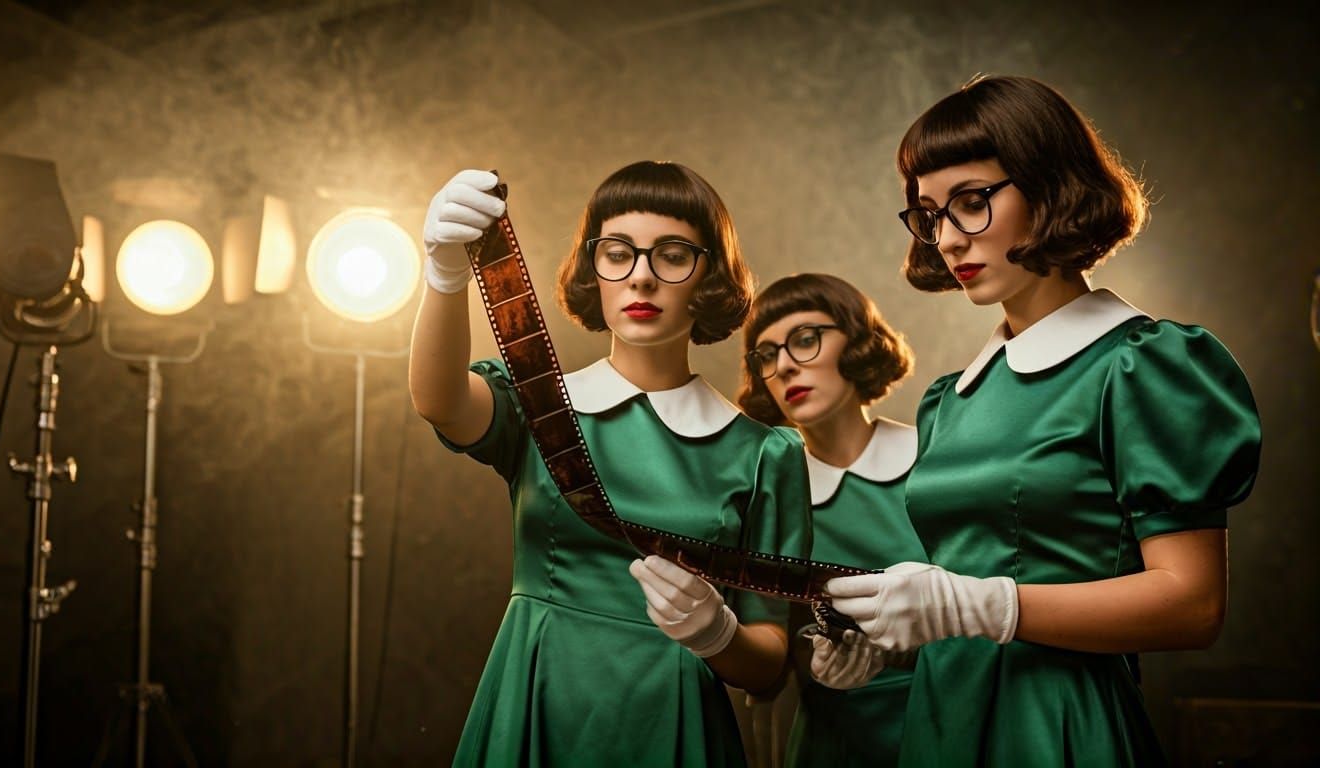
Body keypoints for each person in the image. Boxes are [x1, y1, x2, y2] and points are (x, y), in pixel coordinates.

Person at [823, 75, 1263, 766]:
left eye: (972, 202)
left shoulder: (1142, 366)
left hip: (1058, 722)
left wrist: (984, 608)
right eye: (930, 214)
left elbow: (1193, 604)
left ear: (1050, 186)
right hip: (941, 721)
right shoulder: (950, 399)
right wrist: (886, 637)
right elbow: (961, 583)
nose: (947, 239)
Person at [410, 161, 810, 767]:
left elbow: (768, 664)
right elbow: (438, 401)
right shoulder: (539, 408)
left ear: (710, 277)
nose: (641, 278)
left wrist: (717, 633)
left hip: (673, 723)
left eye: (672, 255)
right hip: (536, 698)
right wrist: (443, 275)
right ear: (592, 270)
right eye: (618, 252)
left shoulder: (764, 454)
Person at [735, 273, 924, 767]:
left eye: (804, 340)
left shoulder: (935, 461)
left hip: (955, 723)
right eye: (767, 355)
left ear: (858, 341)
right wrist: (811, 661)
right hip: (833, 743)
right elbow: (765, 649)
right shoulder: (765, 495)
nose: (785, 367)